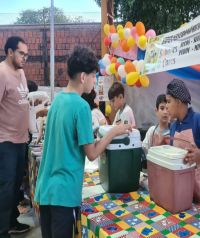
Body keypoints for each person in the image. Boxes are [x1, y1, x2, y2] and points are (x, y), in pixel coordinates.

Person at [34, 46, 131, 238]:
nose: (95, 81)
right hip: (64, 194)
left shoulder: (57, 102)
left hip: (45, 190)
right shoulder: (81, 107)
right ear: (83, 77)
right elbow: (92, 153)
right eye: (94, 76)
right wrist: (113, 132)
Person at [166, 78, 200, 207]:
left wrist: (199, 154)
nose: (166, 106)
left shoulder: (198, 120)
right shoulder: (173, 127)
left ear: (178, 101)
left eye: (168, 101)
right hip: (183, 187)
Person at [0, 36, 31, 237]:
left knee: (16, 188)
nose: (25, 58)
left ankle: (12, 221)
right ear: (10, 52)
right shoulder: (2, 73)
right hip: (6, 141)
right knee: (6, 188)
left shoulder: (20, 73)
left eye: (26, 55)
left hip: (21, 140)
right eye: (21, 53)